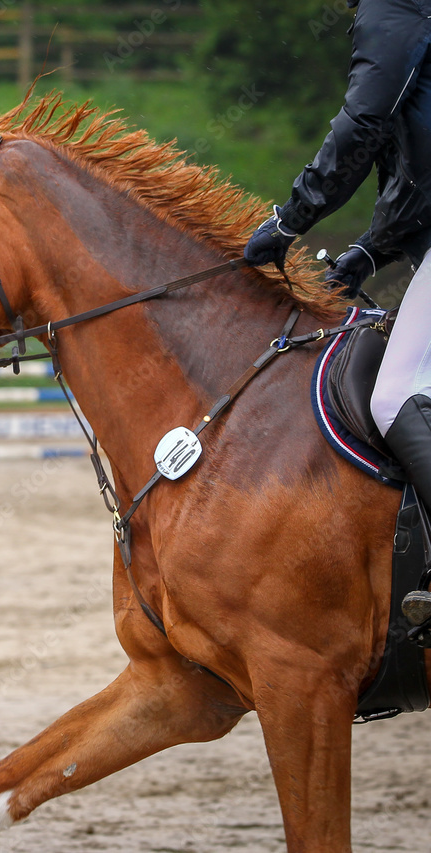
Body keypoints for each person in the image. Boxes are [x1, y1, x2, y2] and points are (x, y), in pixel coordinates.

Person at [242, 0, 431, 628]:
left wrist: (291, 219)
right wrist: (370, 252)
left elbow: (364, 123)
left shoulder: (397, 6)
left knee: (394, 395)